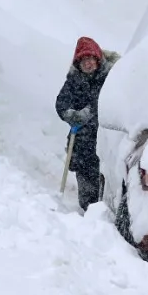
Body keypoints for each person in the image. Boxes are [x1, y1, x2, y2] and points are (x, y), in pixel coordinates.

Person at [55, 36, 120, 212]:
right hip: (83, 139)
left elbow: (110, 102)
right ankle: (88, 214)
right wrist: (70, 115)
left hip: (106, 136)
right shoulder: (74, 79)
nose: (88, 64)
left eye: (90, 59)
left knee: (107, 176)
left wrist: (89, 112)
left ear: (97, 59)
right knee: (86, 175)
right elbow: (61, 102)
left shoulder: (110, 77)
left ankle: (107, 213)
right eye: (83, 61)